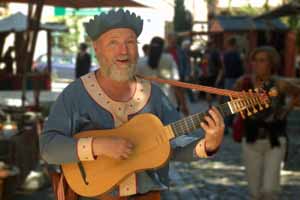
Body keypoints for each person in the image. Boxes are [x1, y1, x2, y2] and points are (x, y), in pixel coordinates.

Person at [39, 9, 225, 200]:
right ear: (97, 48)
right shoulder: (75, 94)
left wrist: (209, 143)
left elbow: (176, 146)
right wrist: (97, 146)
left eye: (130, 42)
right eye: (113, 43)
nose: (123, 51)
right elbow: (48, 147)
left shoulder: (154, 94)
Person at [234, 46, 300, 200]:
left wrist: (286, 109)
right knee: (255, 192)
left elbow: (297, 94)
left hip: (275, 139)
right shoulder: (244, 82)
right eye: (255, 61)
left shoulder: (280, 84)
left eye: (262, 61)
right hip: (251, 139)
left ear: (271, 63)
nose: (257, 64)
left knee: (270, 190)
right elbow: (232, 106)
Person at [137, 36, 189, 116]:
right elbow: (177, 85)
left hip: (147, 109)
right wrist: (184, 105)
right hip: (168, 105)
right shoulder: (169, 59)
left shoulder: (139, 63)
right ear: (163, 47)